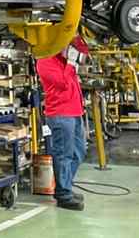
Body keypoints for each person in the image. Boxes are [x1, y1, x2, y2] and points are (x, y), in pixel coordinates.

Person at [37, 36, 88, 211]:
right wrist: (71, 63)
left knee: (79, 152)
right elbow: (64, 84)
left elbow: (84, 50)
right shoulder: (44, 62)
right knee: (63, 155)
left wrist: (76, 39)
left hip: (75, 112)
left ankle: (65, 186)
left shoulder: (62, 58)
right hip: (60, 114)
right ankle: (63, 195)